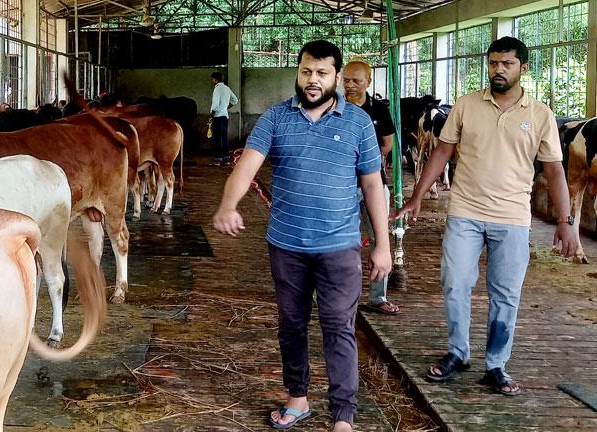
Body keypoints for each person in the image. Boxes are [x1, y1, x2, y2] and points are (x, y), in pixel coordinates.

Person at [213, 40, 391, 432]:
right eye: (307, 71)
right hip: (287, 246)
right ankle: (298, 398)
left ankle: (343, 415)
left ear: (337, 78)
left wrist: (383, 244)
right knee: (291, 323)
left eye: (322, 73)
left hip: (339, 247)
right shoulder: (276, 118)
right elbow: (246, 167)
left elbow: (374, 186)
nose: (313, 80)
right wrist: (228, 204)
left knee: (338, 326)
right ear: (298, 72)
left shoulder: (358, 123)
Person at [395, 36, 579, 396]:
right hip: (465, 211)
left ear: (523, 69)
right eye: (493, 63)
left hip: (512, 217)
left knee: (506, 293)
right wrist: (416, 196)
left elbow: (555, 171)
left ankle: (496, 364)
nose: (498, 69)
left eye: (507, 64)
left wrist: (565, 221)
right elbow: (443, 151)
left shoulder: (540, 115)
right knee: (455, 282)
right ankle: (458, 353)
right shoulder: (465, 106)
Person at [342, 60, 401, 316]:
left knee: (380, 239)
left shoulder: (379, 110)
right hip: (341, 186)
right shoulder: (332, 108)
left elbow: (387, 144)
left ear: (368, 81)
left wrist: (368, 165)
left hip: (374, 185)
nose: (351, 85)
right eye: (346, 80)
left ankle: (378, 297)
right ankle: (327, 293)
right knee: (339, 240)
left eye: (357, 80)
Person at [209, 71, 239, 166]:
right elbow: (235, 100)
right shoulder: (227, 88)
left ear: (216, 79)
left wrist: (211, 115)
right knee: (224, 137)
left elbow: (215, 104)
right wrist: (226, 107)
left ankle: (218, 160)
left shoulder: (217, 89)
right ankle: (226, 159)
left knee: (217, 138)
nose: (212, 81)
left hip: (217, 116)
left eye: (212, 79)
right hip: (225, 116)